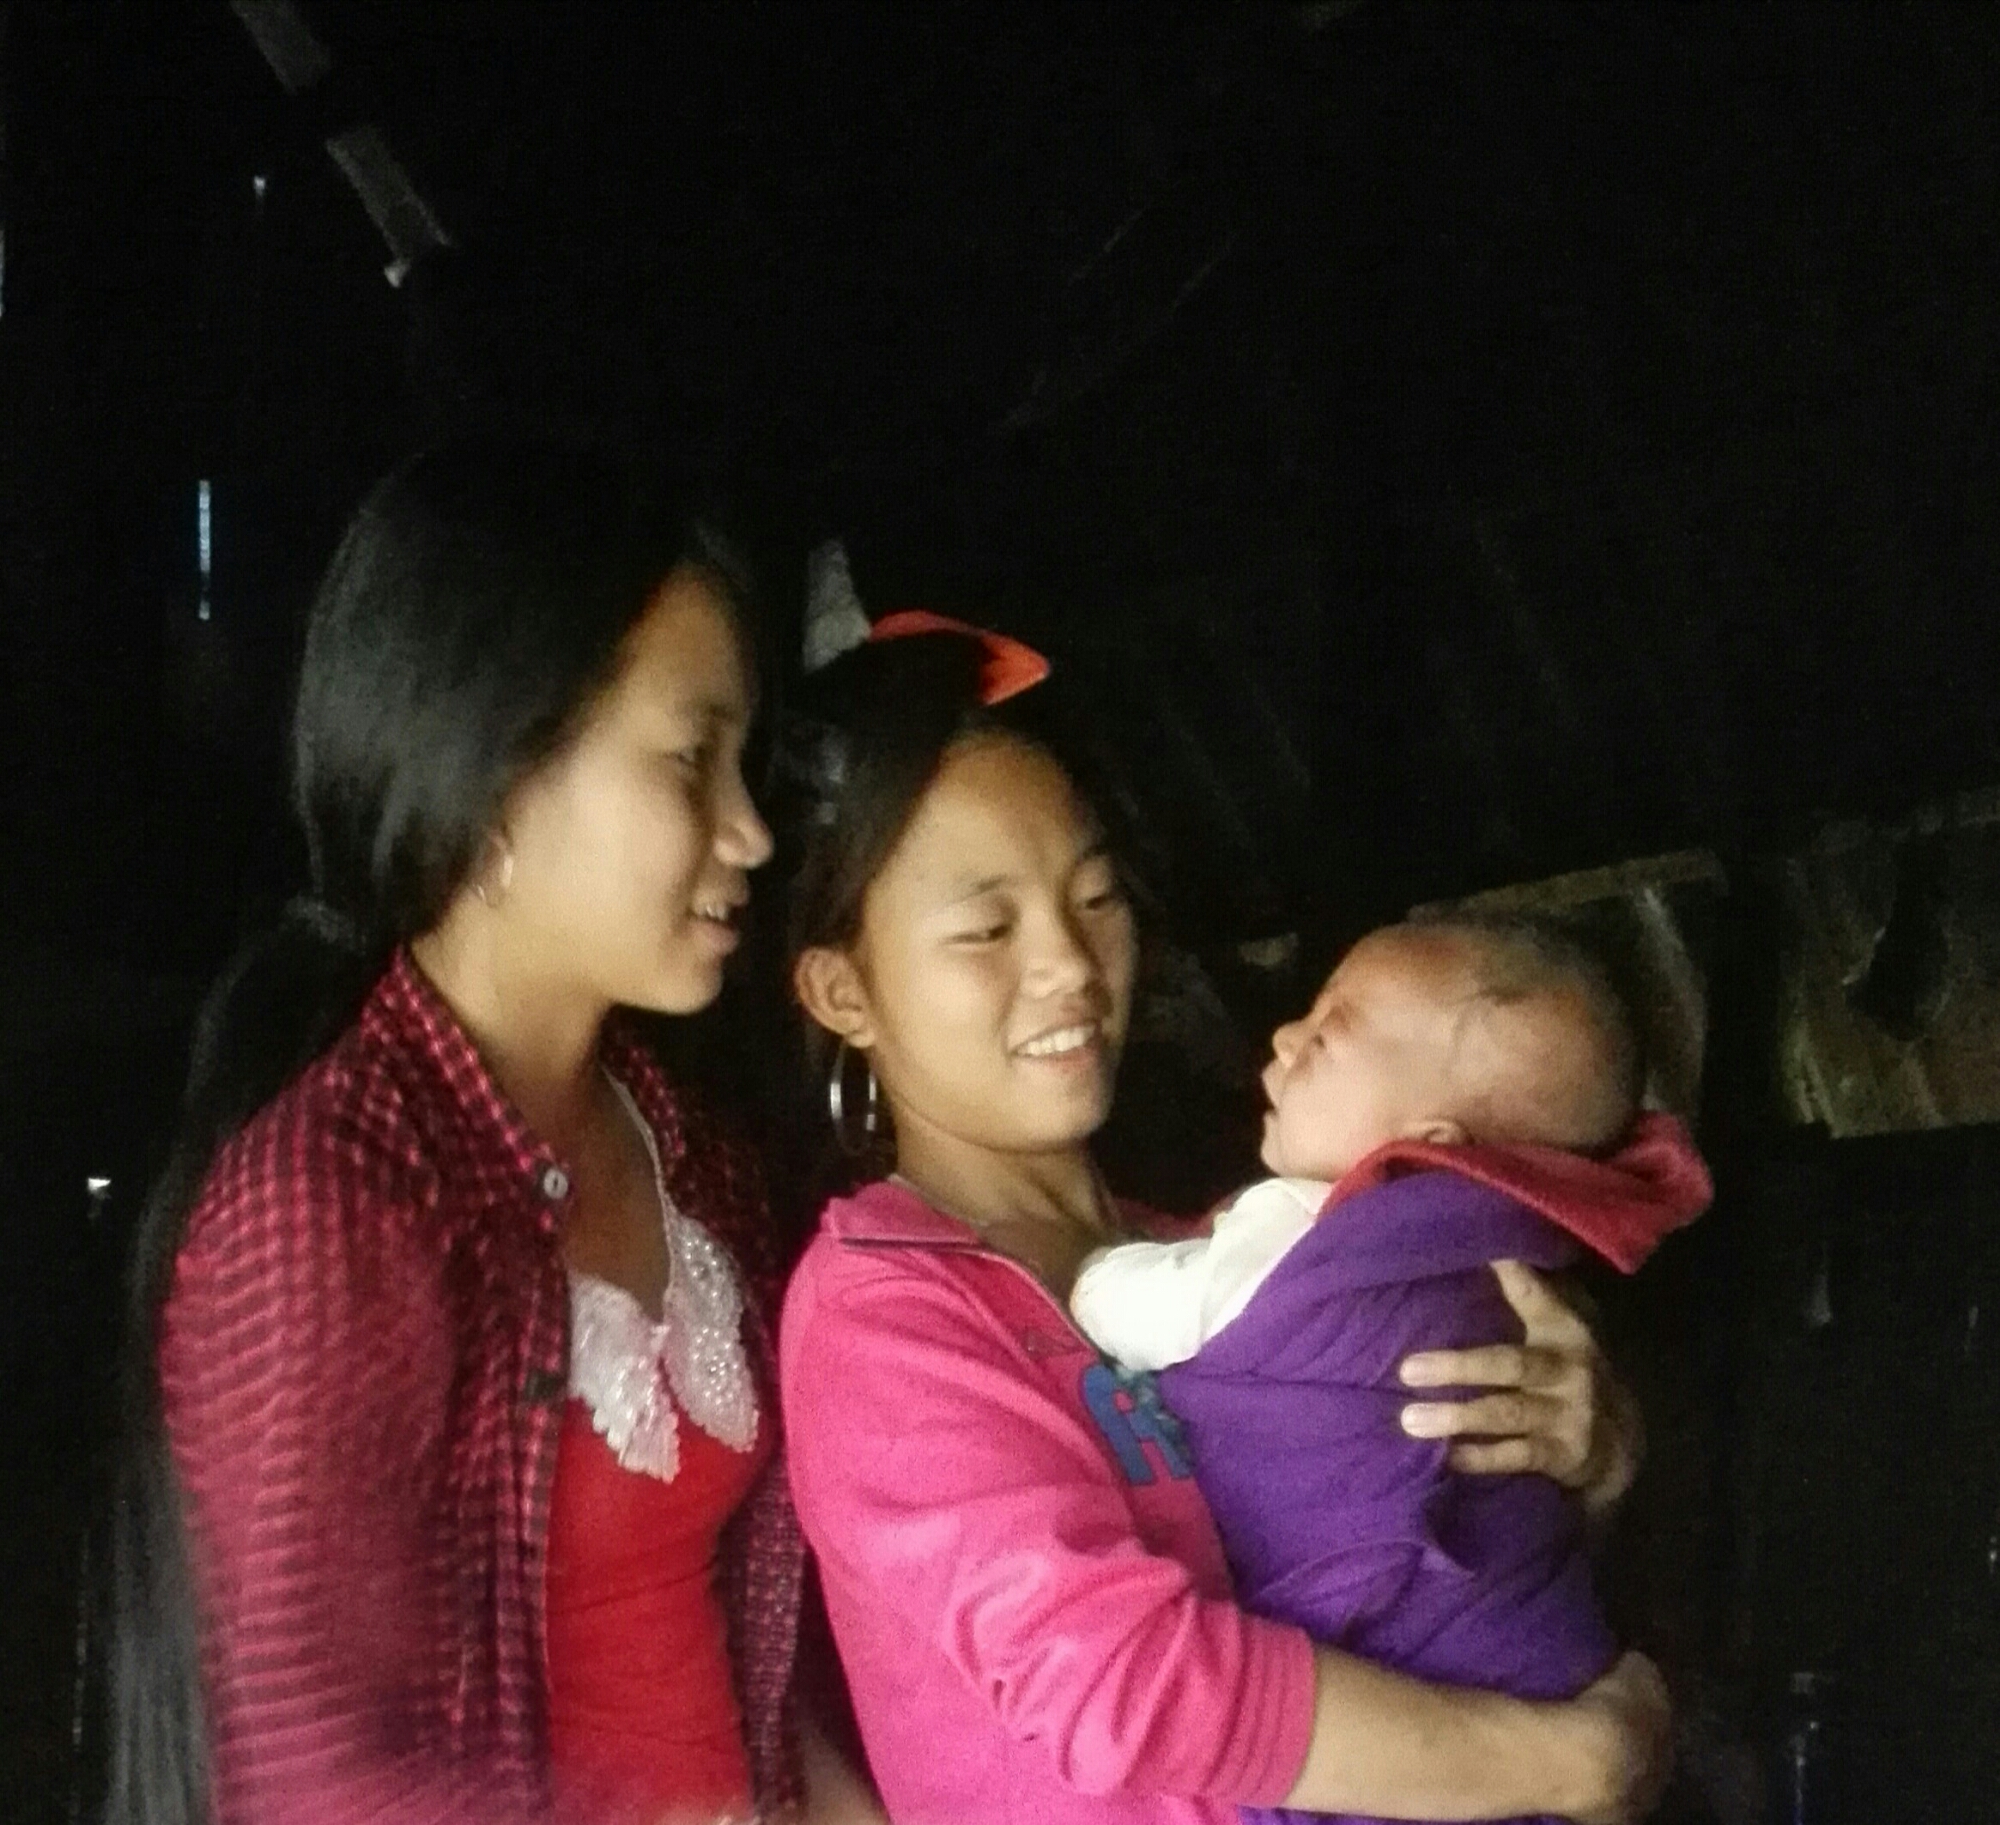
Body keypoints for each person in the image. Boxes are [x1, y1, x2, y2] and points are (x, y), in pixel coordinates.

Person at [773, 620, 1674, 1825]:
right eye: (986, 929)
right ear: (842, 990)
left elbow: (1420, 1576)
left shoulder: (1263, 1265)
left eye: (1095, 898)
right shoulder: (882, 1311)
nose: (1070, 964)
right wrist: (1565, 1764)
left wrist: (1582, 1469)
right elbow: (1116, 1687)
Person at [108, 440, 877, 1825]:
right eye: (692, 761)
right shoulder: (336, 1200)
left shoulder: (688, 1150)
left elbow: (738, 1661)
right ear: (498, 776)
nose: (751, 834)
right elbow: (322, 1783)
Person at [1069, 916, 1714, 1825]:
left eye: (1327, 1032)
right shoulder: (1504, 1255)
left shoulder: (1305, 1236)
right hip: (1533, 1674)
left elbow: (1124, 1304)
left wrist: (1084, 1270)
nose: (1284, 1037)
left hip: (1410, 1692)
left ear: (1430, 1134)